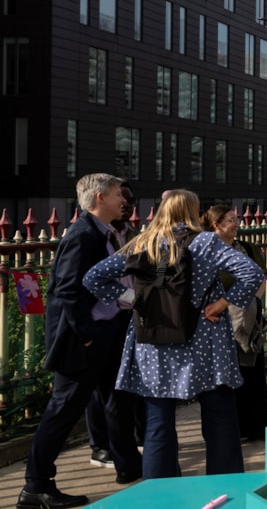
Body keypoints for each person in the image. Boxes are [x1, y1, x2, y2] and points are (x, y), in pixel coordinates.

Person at [83, 189, 262, 480]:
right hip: (205, 338)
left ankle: (160, 493)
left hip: (154, 338)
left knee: (158, 422)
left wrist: (131, 298)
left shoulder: (143, 241)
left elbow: (92, 278)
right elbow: (252, 274)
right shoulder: (206, 242)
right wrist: (221, 303)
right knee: (220, 416)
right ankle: (224, 484)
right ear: (193, 211)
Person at [19, 174, 142, 509]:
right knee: (62, 411)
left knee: (119, 399)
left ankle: (129, 467)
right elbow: (67, 290)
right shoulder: (83, 234)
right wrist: (88, 336)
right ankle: (36, 486)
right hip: (84, 341)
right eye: (118, 194)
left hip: (109, 330)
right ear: (100, 198)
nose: (124, 200)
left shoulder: (103, 232)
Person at [204, 205, 267, 441]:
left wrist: (251, 300)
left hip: (247, 315)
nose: (237, 223)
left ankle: (255, 426)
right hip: (217, 318)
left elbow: (263, 276)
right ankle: (234, 427)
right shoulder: (207, 251)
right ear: (216, 224)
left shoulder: (248, 248)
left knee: (252, 368)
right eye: (231, 220)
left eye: (237, 219)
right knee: (229, 374)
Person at [86, 180, 141, 469]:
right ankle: (99, 446)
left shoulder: (130, 233)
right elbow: (89, 280)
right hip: (102, 318)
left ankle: (123, 447)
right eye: (122, 198)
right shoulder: (91, 235)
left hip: (124, 316)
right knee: (99, 390)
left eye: (130, 201)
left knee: (118, 388)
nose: (126, 205)